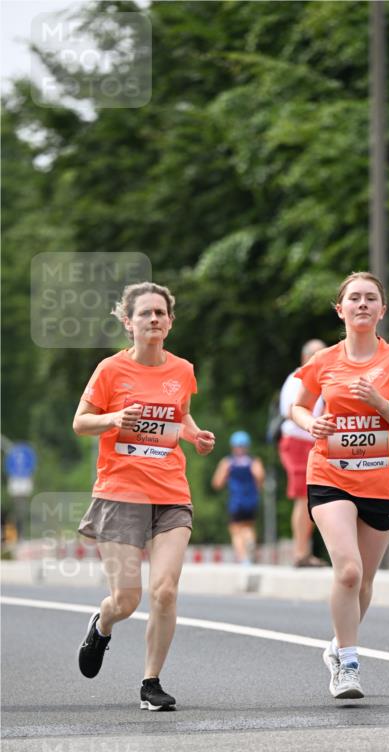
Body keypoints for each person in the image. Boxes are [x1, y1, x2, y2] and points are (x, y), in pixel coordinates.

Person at [73, 282, 215, 710]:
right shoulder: (110, 371)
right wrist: (115, 417)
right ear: (128, 322)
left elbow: (181, 415)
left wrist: (195, 436)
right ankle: (103, 622)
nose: (153, 319)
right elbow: (81, 422)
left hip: (171, 493)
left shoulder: (182, 370)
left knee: (166, 591)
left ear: (170, 322)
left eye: (160, 313)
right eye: (145, 314)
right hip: (120, 493)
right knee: (127, 600)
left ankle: (151, 683)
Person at [291, 271, 389, 699]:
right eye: (354, 298)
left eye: (371, 298)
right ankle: (348, 665)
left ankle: (336, 646)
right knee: (347, 570)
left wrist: (379, 403)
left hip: (381, 483)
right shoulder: (324, 361)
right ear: (341, 309)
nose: (362, 304)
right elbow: (296, 407)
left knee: (363, 581)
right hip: (330, 476)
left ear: (382, 310)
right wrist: (313, 423)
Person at [278, 339, 327, 567]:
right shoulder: (297, 378)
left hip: (316, 441)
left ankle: (305, 550)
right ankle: (300, 552)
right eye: (315, 355)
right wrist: (314, 423)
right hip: (298, 441)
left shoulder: (325, 379)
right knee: (303, 496)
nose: (319, 359)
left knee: (316, 497)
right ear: (304, 358)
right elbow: (291, 410)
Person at [212, 431, 265, 564]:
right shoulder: (253, 461)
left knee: (235, 529)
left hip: (236, 501)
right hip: (252, 500)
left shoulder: (228, 462)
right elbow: (260, 476)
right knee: (248, 526)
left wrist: (227, 477)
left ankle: (243, 559)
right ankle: (250, 542)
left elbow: (217, 483)